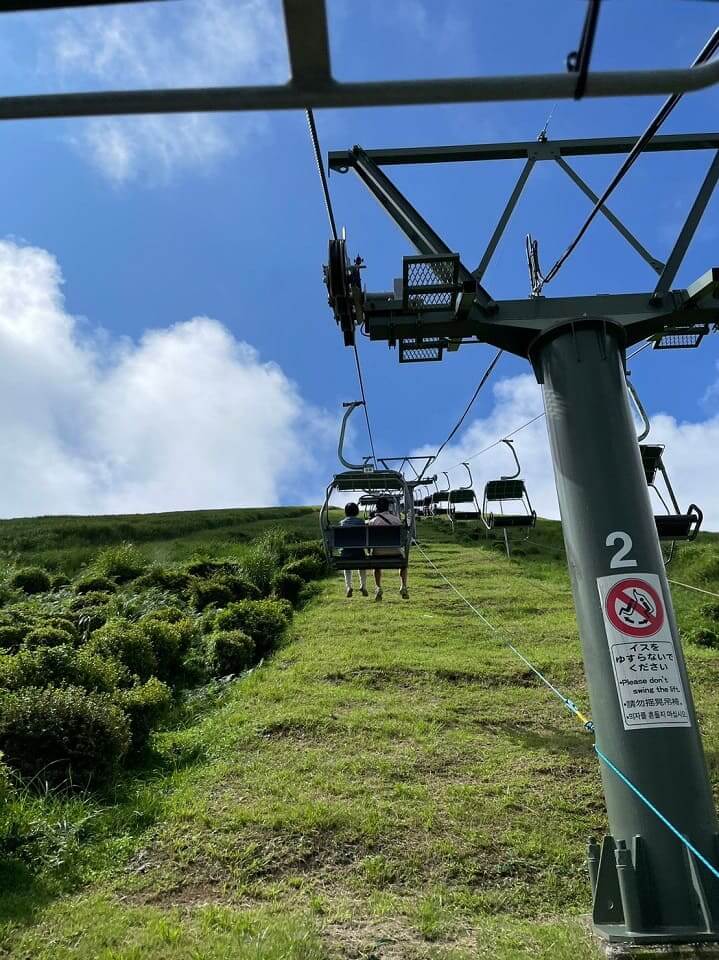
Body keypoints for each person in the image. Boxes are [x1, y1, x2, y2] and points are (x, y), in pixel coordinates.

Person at [368, 496, 409, 601]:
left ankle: (378, 587)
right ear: (388, 507)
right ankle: (403, 586)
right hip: (395, 551)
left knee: (377, 567)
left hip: (378, 553)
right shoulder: (396, 520)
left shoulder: (372, 522)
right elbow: (403, 539)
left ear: (377, 508)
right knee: (403, 563)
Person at [340, 502, 369, 598]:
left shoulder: (342, 523)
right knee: (362, 566)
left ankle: (348, 586)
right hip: (359, 552)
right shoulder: (361, 522)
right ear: (356, 511)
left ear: (346, 512)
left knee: (347, 567)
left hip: (346, 553)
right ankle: (363, 586)